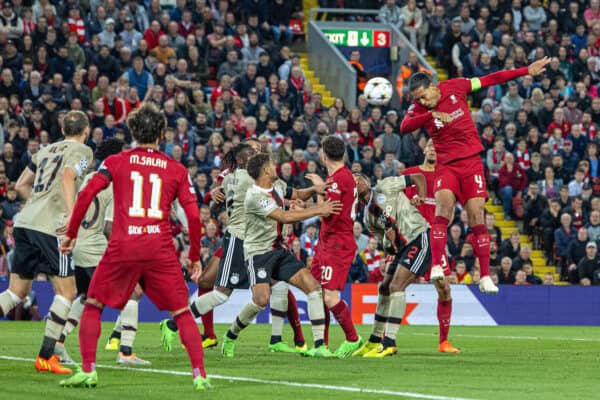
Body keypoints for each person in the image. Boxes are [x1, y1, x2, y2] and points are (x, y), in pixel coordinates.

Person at [58, 103, 211, 390]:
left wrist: (71, 232)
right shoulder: (176, 169)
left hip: (123, 246)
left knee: (93, 305)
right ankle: (199, 374)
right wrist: (193, 257)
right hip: (160, 249)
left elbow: (88, 192)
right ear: (162, 134)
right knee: (180, 312)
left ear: (133, 131)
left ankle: (89, 370)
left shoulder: (116, 162)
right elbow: (192, 215)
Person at [401, 56, 551, 294]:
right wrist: (430, 116)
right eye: (417, 99)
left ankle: (485, 276)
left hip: (471, 164)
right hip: (447, 165)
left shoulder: (456, 86)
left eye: (423, 96)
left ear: (432, 86)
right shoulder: (420, 108)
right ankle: (438, 266)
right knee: (443, 210)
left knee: (476, 217)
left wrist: (525, 71)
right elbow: (404, 127)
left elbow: (492, 78)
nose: (422, 101)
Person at [219, 153, 340, 358]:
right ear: (265, 170)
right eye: (272, 164)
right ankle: (231, 335)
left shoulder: (276, 187)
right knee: (261, 300)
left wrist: (314, 190)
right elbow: (283, 216)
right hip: (258, 253)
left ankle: (319, 345)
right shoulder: (254, 196)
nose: (277, 166)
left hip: (277, 249)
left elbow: (297, 196)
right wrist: (319, 209)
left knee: (313, 287)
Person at [0, 110, 93, 375]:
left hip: (25, 222)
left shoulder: (45, 149)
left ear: (63, 130)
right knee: (67, 292)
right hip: (52, 229)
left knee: (16, 292)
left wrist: (38, 206)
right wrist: (71, 218)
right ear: (85, 131)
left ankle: (47, 355)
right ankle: (45, 356)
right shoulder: (83, 152)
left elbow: (20, 185)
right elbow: (67, 177)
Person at [54, 138, 150, 367]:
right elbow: (108, 226)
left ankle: (58, 342)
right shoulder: (114, 180)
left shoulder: (87, 177)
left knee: (87, 296)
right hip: (94, 245)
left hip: (77, 244)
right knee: (132, 292)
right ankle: (125, 351)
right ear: (115, 157)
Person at [352, 171, 430, 357]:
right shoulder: (368, 219)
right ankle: (374, 340)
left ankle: (390, 342)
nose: (356, 181)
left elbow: (419, 177)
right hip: (401, 248)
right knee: (384, 287)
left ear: (367, 180)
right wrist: (389, 251)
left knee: (396, 286)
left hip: (418, 236)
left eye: (359, 177)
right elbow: (386, 242)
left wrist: (421, 196)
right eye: (352, 180)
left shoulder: (385, 186)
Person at [308, 136, 364, 357]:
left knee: (330, 296)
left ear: (324, 154)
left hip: (337, 243)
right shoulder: (337, 177)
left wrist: (319, 190)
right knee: (318, 291)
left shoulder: (340, 179)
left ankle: (353, 338)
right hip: (327, 241)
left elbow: (326, 212)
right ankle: (321, 345)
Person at [402, 140, 460, 353]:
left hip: (436, 243)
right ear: (424, 149)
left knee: (445, 289)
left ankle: (443, 342)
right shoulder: (410, 174)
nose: (434, 149)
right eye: (431, 146)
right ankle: (384, 338)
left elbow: (451, 211)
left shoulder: (448, 178)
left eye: (438, 147)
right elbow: (395, 206)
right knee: (396, 287)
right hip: (413, 241)